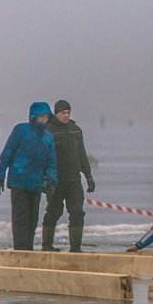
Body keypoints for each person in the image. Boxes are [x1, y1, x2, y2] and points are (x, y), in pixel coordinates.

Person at [0, 102, 57, 251]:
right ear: (34, 117)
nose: (43, 119)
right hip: (19, 181)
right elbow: (7, 154)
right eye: (41, 116)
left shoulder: (48, 137)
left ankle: (28, 248)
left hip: (36, 184)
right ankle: (20, 249)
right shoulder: (21, 130)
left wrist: (51, 182)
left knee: (33, 219)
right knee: (20, 218)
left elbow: (51, 162)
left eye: (46, 117)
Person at [41, 100, 94, 252]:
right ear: (56, 113)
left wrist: (88, 176)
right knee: (53, 211)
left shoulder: (76, 130)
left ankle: (75, 247)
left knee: (77, 212)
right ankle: (47, 245)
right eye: (63, 113)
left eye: (68, 112)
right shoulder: (48, 131)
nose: (66, 116)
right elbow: (43, 157)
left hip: (74, 179)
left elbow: (82, 154)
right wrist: (45, 180)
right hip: (56, 179)